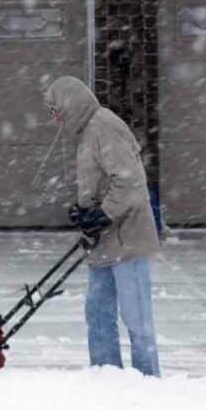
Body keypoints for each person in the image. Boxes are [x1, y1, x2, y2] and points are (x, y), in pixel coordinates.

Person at [42, 76, 161, 377]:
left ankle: (148, 378)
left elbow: (129, 181)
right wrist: (83, 211)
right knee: (98, 313)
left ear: (70, 103)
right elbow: (101, 183)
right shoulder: (86, 133)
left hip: (127, 239)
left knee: (136, 318)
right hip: (104, 241)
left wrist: (103, 214)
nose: (55, 118)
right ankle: (106, 375)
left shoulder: (104, 126)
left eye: (56, 110)